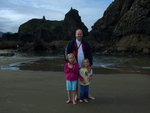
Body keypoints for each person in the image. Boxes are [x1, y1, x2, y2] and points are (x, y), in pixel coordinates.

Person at [65, 29, 95, 100]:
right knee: (75, 81)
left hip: (84, 66)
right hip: (75, 66)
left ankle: (87, 94)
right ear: (75, 35)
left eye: (80, 34)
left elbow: (90, 54)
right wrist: (68, 63)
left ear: (82, 35)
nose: (79, 35)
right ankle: (76, 95)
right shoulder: (71, 43)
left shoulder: (86, 43)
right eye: (78, 34)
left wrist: (90, 64)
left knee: (86, 80)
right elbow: (66, 53)